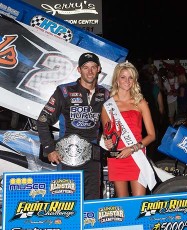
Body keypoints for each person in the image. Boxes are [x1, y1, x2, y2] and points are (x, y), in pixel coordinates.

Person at [37, 52, 110, 200]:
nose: (89, 71)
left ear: (99, 69)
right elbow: (42, 120)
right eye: (85, 67)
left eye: (93, 67)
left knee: (92, 202)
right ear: (79, 69)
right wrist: (49, 148)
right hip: (68, 157)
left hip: (93, 159)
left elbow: (111, 122)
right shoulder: (64, 91)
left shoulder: (106, 94)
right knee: (67, 203)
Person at [101, 62, 157, 198]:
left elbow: (151, 135)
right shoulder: (108, 105)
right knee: (123, 202)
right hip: (117, 157)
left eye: (130, 78)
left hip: (136, 155)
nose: (127, 81)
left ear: (134, 81)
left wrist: (132, 149)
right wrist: (106, 140)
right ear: (117, 80)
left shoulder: (140, 103)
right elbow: (106, 134)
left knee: (139, 202)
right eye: (123, 77)